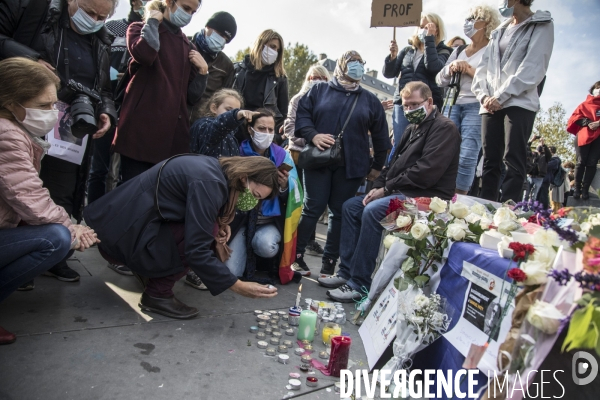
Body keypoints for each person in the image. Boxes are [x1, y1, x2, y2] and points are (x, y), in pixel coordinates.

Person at [0, 0, 119, 282]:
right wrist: (31, 61)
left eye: (103, 16)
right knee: (25, 187)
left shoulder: (102, 40)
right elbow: (26, 194)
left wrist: (104, 110)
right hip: (27, 114)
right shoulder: (34, 11)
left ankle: (51, 254)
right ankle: (27, 251)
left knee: (62, 189)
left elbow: (103, 88)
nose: (95, 20)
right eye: (90, 12)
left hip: (70, 127)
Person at [83, 156, 280, 319]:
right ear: (244, 177)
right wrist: (237, 285)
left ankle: (150, 272)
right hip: (121, 238)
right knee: (206, 235)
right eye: (255, 194)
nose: (253, 202)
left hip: (120, 228)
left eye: (258, 200)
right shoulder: (210, 183)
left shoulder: (213, 169)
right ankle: (158, 295)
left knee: (210, 229)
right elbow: (197, 249)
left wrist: (218, 222)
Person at [319, 82, 460, 301]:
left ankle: (360, 284)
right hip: (401, 193)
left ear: (429, 102)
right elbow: (390, 165)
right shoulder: (412, 128)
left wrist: (386, 189)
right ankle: (346, 273)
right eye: (405, 106)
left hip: (425, 203)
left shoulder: (444, 128)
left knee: (374, 212)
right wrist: (376, 187)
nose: (409, 110)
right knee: (352, 207)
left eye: (414, 104)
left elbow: (426, 172)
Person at [0, 58, 99, 344]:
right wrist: (72, 229)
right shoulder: (6, 134)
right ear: (12, 103)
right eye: (44, 106)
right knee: (56, 239)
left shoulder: (15, 130)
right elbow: (28, 196)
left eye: (54, 104)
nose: (53, 112)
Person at [293, 50, 391, 277]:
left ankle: (329, 262)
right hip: (319, 160)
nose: (357, 66)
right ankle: (296, 257)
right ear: (341, 65)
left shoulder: (371, 100)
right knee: (312, 207)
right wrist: (313, 135)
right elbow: (303, 116)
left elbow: (381, 137)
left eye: (361, 62)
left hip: (352, 167)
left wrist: (377, 167)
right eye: (352, 62)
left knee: (339, 212)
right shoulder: (319, 90)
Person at [113, 0, 207, 183]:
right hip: (139, 132)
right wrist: (153, 23)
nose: (188, 15)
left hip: (170, 140)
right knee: (131, 194)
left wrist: (204, 72)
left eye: (192, 12)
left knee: (155, 200)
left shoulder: (189, 47)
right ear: (169, 2)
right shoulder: (138, 28)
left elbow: (192, 97)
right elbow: (146, 54)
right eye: (186, 8)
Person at [472, 0, 554, 203]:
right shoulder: (499, 31)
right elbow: (483, 69)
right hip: (489, 104)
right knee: (490, 161)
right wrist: (484, 96)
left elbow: (533, 67)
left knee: (513, 160)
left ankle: (509, 213)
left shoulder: (542, 24)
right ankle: (485, 209)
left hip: (519, 102)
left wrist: (500, 96)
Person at [225, 110, 303, 284]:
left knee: (266, 246)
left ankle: (260, 261)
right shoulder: (237, 152)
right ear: (250, 129)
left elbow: (295, 198)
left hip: (268, 222)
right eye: (261, 128)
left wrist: (283, 187)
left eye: (270, 129)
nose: (267, 134)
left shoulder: (283, 156)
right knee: (231, 272)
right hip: (239, 222)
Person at [436, 5, 500, 195]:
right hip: (453, 104)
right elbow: (439, 79)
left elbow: (495, 81)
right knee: (443, 151)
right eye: (468, 17)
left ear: (486, 22)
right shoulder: (460, 50)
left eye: (474, 18)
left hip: (476, 106)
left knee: (467, 154)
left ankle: (459, 198)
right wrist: (452, 67)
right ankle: (439, 192)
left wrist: (469, 70)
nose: (469, 22)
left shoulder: (493, 49)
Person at [382, 12, 451, 156]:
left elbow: (433, 67)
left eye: (428, 27)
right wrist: (392, 57)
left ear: (436, 30)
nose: (423, 30)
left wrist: (429, 41)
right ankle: (393, 176)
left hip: (425, 104)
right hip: (403, 103)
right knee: (400, 143)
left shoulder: (444, 51)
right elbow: (389, 73)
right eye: (421, 27)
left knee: (420, 144)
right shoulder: (408, 50)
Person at [283, 65, 331, 260]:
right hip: (297, 157)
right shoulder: (298, 99)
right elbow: (290, 128)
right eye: (313, 76)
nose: (317, 79)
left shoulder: (328, 104)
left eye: (322, 77)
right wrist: (313, 138)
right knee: (295, 201)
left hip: (318, 160)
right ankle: (291, 242)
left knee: (311, 204)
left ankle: (307, 242)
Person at [232, 29, 288, 143]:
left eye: (278, 49)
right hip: (235, 131)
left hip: (262, 136)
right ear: (260, 45)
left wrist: (275, 137)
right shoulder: (237, 70)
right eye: (272, 46)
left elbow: (283, 113)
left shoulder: (280, 78)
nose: (275, 52)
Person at [189, 11, 237, 122]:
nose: (221, 40)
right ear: (208, 26)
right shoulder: (184, 44)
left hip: (200, 124)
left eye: (225, 39)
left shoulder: (226, 65)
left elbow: (223, 100)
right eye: (220, 34)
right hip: (173, 117)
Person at [189, 89, 254, 158]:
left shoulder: (231, 134)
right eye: (228, 110)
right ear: (213, 108)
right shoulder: (204, 124)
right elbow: (217, 128)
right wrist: (235, 115)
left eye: (236, 111)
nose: (231, 113)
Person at [567, 81, 600, 200]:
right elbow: (574, 118)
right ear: (593, 90)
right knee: (581, 162)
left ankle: (586, 190)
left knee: (592, 163)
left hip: (598, 138)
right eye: (598, 87)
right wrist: (587, 122)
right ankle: (577, 188)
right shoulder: (584, 105)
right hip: (583, 136)